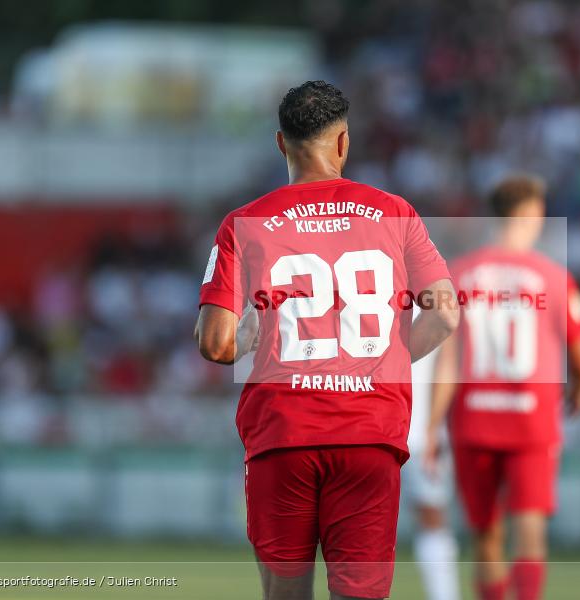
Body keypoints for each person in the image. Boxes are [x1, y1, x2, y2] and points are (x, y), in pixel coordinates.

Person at [195, 80, 459, 600]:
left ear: (279, 143)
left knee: (285, 593)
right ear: (343, 143)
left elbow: (213, 343)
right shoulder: (395, 212)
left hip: (283, 431)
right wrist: (386, 359)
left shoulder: (243, 223)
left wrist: (246, 337)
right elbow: (446, 314)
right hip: (368, 431)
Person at [425, 174, 580, 600]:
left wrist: (430, 427)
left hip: (473, 419)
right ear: (533, 215)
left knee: (486, 537)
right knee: (531, 531)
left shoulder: (460, 274)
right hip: (531, 420)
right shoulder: (554, 277)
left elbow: (448, 359)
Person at [404, 306, 460, 600]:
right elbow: (448, 364)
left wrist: (434, 424)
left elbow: (447, 364)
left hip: (404, 429)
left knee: (432, 516)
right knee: (432, 517)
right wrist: (434, 425)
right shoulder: (433, 288)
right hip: (413, 429)